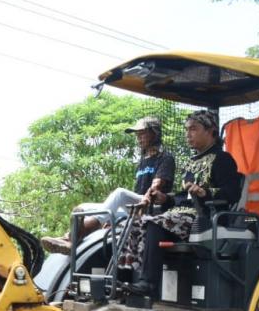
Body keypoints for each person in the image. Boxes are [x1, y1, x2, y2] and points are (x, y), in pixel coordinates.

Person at [121, 110, 242, 297]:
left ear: (211, 131)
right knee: (138, 221)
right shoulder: (191, 162)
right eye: (187, 129)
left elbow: (232, 192)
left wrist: (205, 192)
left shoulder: (223, 159)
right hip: (182, 214)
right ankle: (127, 278)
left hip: (205, 217)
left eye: (193, 129)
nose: (188, 134)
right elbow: (182, 196)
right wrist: (166, 199)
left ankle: (148, 284)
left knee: (154, 223)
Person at [41, 117, 175, 254]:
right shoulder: (143, 161)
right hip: (135, 208)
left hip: (152, 206)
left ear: (155, 134)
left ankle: (73, 239)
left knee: (120, 193)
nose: (139, 138)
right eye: (137, 135)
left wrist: (144, 201)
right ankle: (68, 239)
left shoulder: (165, 158)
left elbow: (155, 187)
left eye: (142, 134)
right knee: (82, 208)